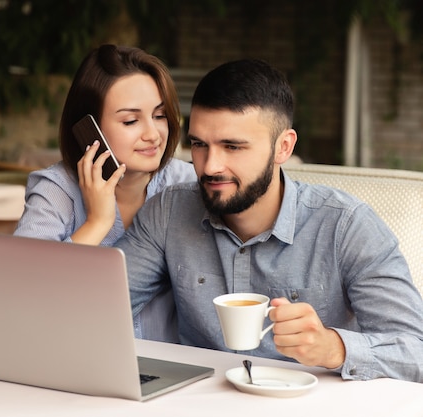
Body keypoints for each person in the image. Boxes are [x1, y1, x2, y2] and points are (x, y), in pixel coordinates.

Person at [115, 58, 423, 382]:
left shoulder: (347, 226)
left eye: (233, 146)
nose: (209, 166)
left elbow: (415, 351)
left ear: (283, 147)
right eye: (199, 145)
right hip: (196, 403)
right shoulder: (168, 211)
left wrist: (335, 348)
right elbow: (95, 313)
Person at [14, 44, 196, 340]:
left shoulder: (187, 184)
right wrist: (96, 223)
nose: (152, 134)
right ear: (89, 128)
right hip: (79, 361)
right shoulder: (58, 189)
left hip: (170, 367)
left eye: (160, 115)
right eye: (130, 121)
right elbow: (20, 288)